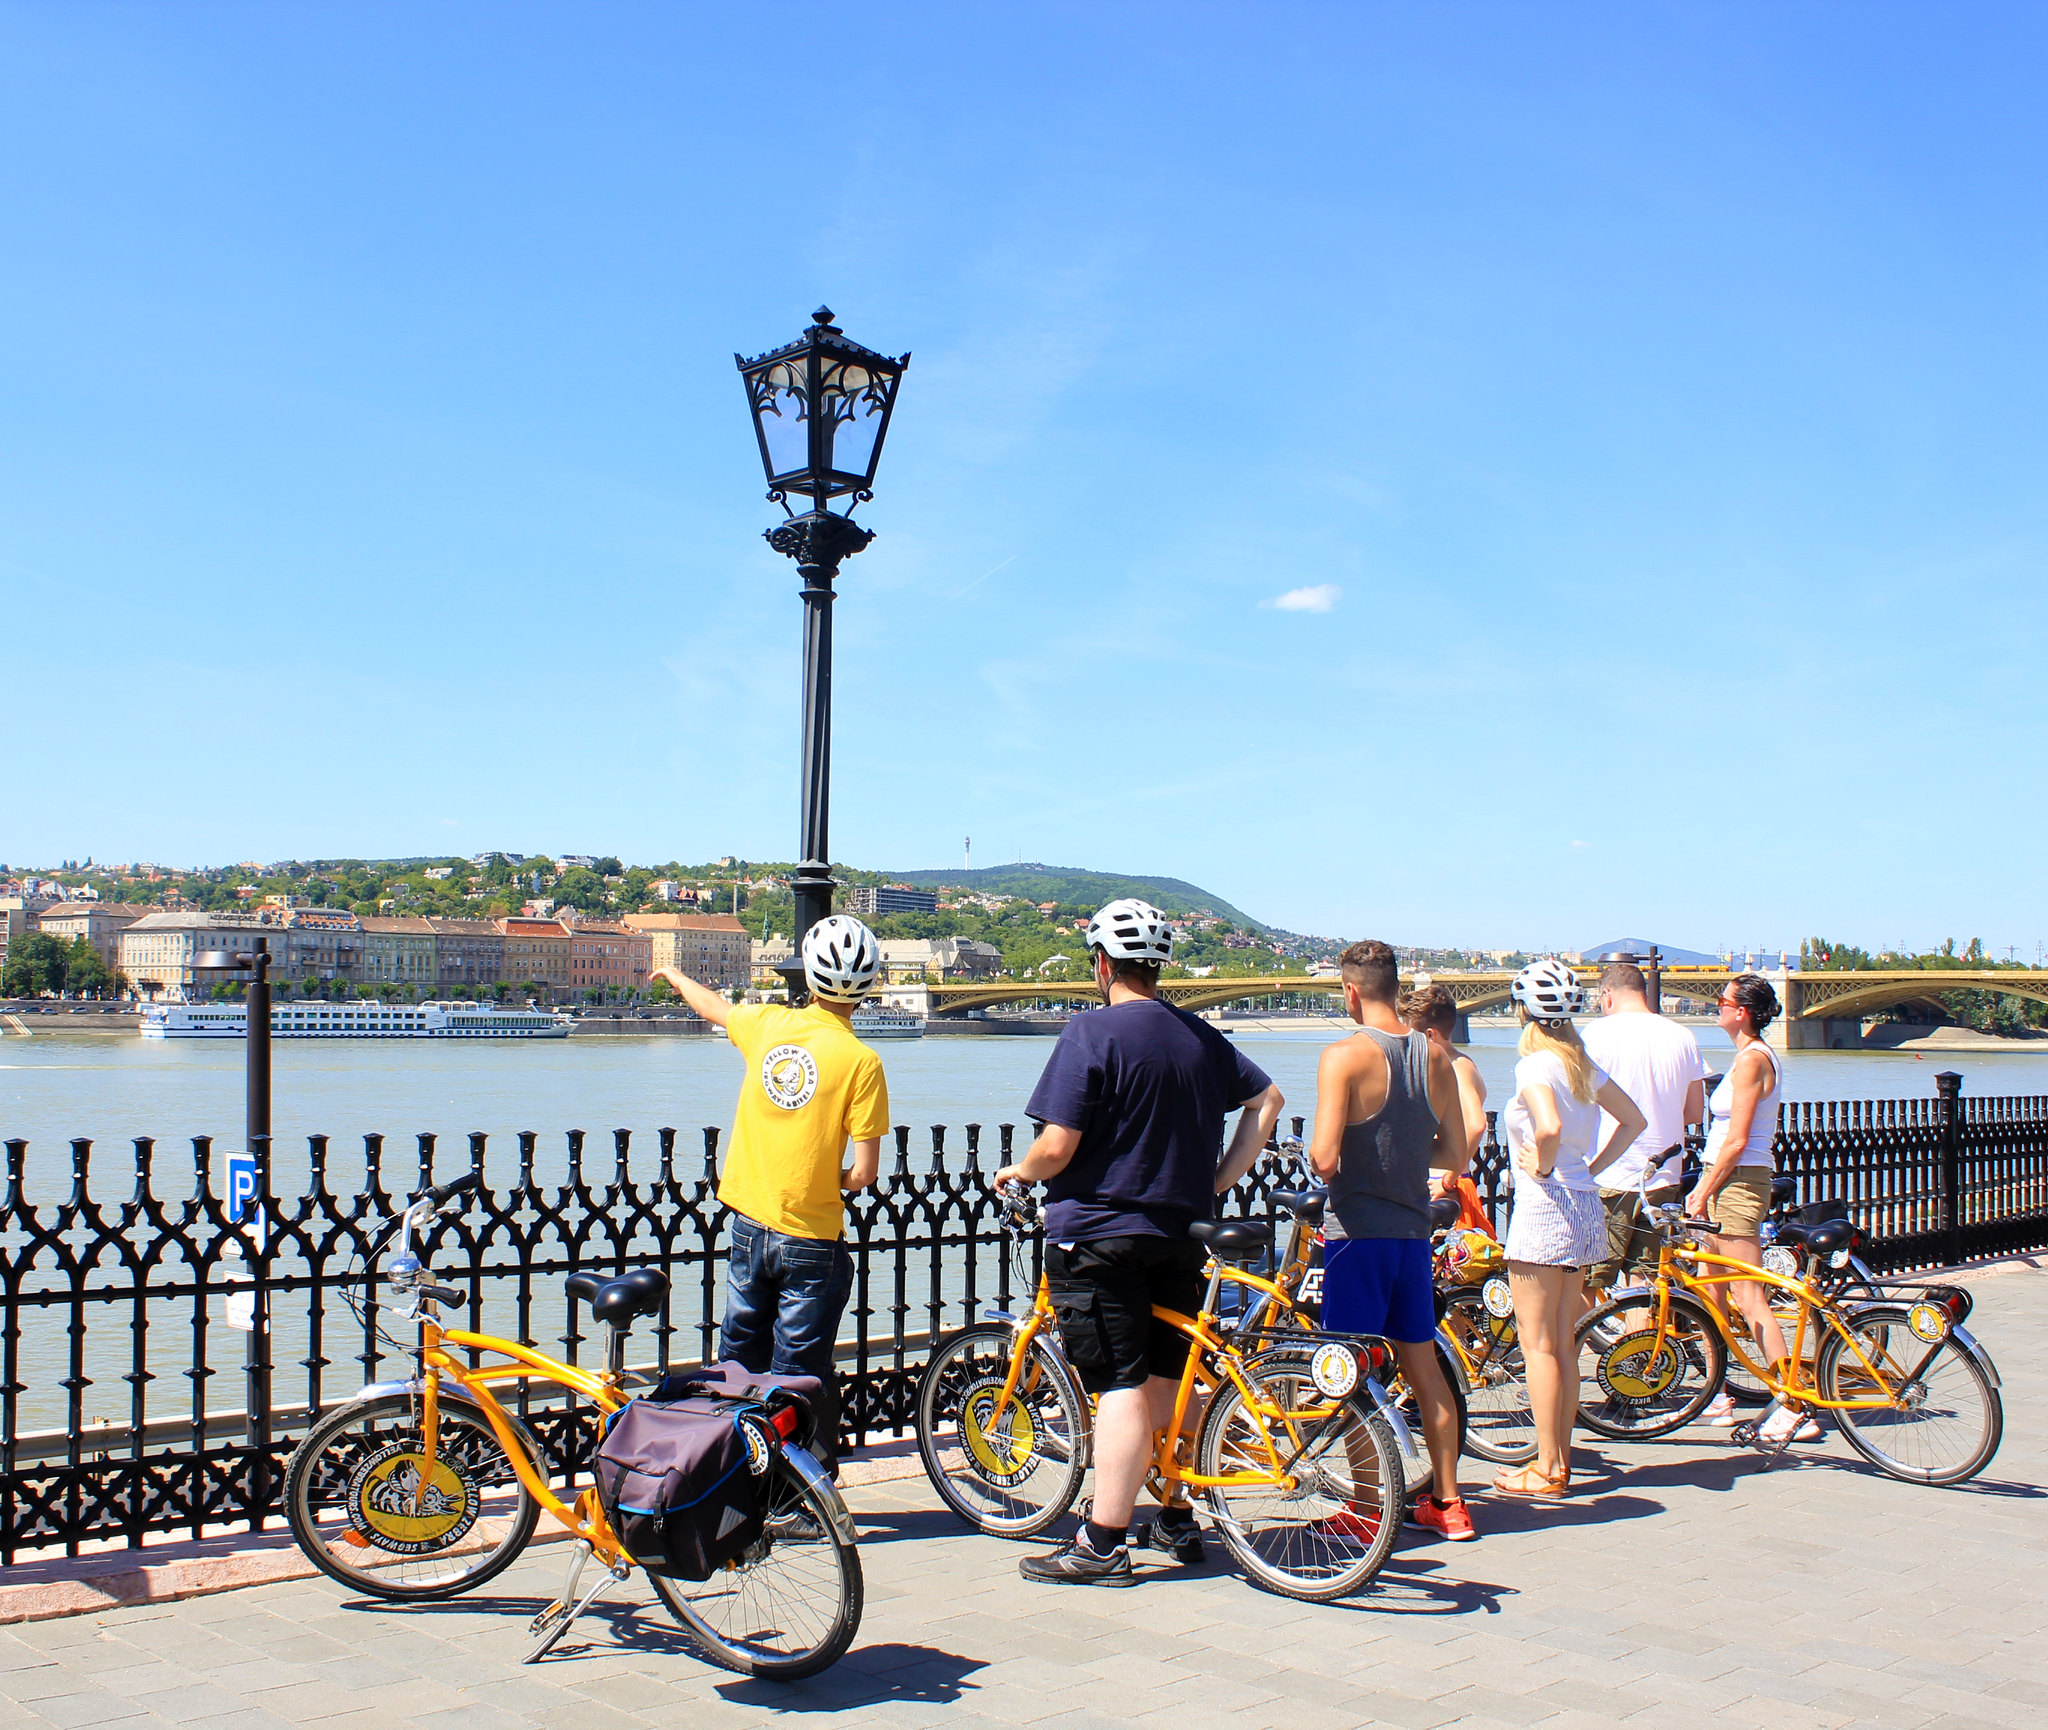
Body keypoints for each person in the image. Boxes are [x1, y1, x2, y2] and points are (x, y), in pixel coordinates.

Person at [995, 897, 1284, 1586]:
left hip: (1099, 1236)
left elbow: (1059, 1145)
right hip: (1178, 1234)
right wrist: (1217, 1181)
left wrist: (1019, 1169)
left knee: (1118, 1387)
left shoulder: (1090, 1035)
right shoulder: (1198, 1036)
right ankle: (1174, 1504)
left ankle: (1103, 1541)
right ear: (1158, 967)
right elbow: (1267, 1102)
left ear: (1101, 964)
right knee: (1165, 1379)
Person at [652, 914, 890, 1479]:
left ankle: (730, 1481)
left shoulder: (767, 1025)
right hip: (811, 1238)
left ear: (808, 977)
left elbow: (714, 1008)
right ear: (869, 988)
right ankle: (801, 1494)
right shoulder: (862, 1062)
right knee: (798, 1376)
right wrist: (826, 1180)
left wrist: (677, 976)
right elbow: (865, 1173)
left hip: (749, 1224)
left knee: (738, 1365)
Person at [1311, 943, 1475, 1541]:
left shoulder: (1343, 1056)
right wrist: (1403, 1155)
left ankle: (1363, 1507)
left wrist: (1335, 1157)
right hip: (1412, 1236)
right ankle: (1449, 1502)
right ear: (1396, 986)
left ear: (1350, 991)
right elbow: (1455, 1153)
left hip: (1357, 1237)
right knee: (1422, 1365)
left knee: (1347, 1369)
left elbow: (1326, 1156)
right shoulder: (1434, 1056)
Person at [1496, 958, 1647, 1499]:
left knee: (1537, 1346)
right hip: (1584, 1206)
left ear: (1524, 1012)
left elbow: (1549, 1127)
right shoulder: (1581, 1063)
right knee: (1562, 1343)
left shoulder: (1534, 1066)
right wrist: (1593, 1168)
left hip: (1544, 1209)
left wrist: (1542, 1166)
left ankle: (1546, 1467)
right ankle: (1556, 1463)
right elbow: (1635, 1121)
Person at [1693, 974, 1820, 1443]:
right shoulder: (1747, 1057)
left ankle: (1793, 1402)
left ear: (1742, 1011)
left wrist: (1703, 1189)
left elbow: (1738, 1140)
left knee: (1749, 1296)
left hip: (1737, 1183)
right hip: (1730, 1179)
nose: (1715, 1008)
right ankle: (1717, 1392)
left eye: (1720, 1002)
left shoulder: (1752, 1060)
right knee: (1711, 1291)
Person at [1579, 961, 1706, 1300]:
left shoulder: (1594, 1035)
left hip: (1608, 1176)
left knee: (1588, 1280)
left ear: (1607, 995)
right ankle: (1638, 1352)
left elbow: (1576, 1105)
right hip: (1663, 1177)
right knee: (1645, 1284)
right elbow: (1694, 1111)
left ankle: (1574, 1350)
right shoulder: (1682, 1035)